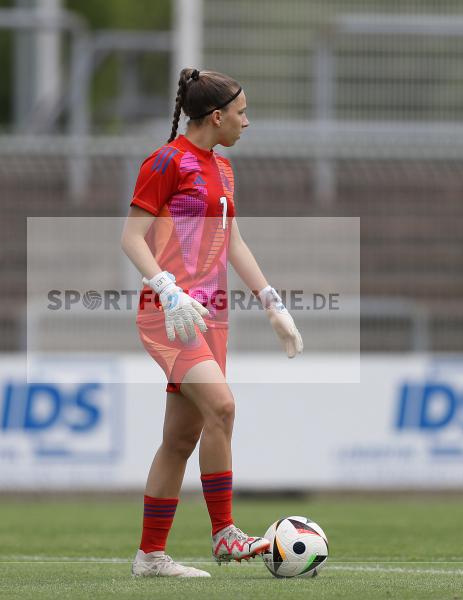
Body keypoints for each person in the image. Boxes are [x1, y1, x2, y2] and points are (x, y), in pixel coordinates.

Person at [121, 68, 304, 578]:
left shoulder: (223, 170)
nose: (248, 122)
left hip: (211, 317)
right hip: (169, 315)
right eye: (242, 113)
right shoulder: (165, 161)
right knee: (222, 406)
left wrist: (272, 302)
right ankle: (225, 534)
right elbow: (131, 239)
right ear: (217, 116)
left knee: (181, 439)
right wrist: (168, 290)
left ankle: (150, 557)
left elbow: (234, 243)